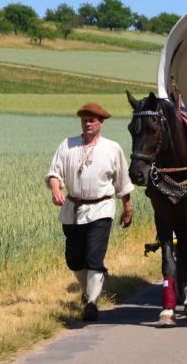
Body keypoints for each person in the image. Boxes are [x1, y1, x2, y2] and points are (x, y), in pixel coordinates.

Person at [45, 103, 135, 322]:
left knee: (94, 257)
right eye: (84, 120)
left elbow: (122, 181)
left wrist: (127, 207)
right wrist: (56, 190)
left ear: (101, 123)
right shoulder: (68, 145)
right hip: (72, 210)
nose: (87, 124)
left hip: (101, 208)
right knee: (74, 260)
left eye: (92, 120)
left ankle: (92, 304)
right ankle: (87, 292)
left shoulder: (112, 148)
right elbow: (54, 173)